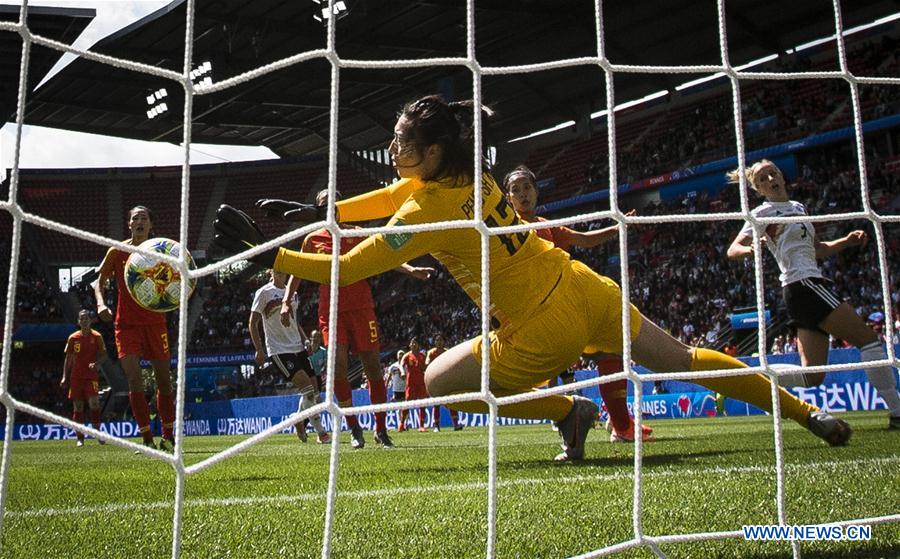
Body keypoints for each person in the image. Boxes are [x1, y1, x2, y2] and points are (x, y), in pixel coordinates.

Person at [214, 94, 851, 462]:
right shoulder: (470, 173)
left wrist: (269, 256)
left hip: (541, 328)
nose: (395, 151)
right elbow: (391, 194)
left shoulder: (427, 207)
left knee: (438, 384)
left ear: (431, 152)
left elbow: (351, 265)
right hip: (581, 286)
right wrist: (320, 215)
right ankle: (808, 416)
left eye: (403, 143)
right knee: (683, 359)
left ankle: (567, 408)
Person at [726, 159, 900, 429]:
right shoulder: (762, 213)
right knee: (868, 341)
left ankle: (743, 377)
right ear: (758, 189)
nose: (770, 179)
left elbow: (817, 249)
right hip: (804, 285)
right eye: (762, 178)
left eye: (772, 173)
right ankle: (898, 412)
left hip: (801, 291)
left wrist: (846, 242)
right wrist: (752, 249)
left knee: (812, 376)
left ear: (781, 176)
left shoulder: (798, 208)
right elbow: (732, 250)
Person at [504, 165, 649, 444]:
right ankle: (580, 417)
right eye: (515, 190)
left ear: (536, 192)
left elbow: (583, 240)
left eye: (527, 187)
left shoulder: (546, 226)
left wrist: (617, 227)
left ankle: (619, 422)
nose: (522, 194)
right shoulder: (506, 228)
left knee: (610, 351)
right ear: (508, 199)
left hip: (567, 306)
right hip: (535, 315)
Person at [279, 189, 433, 449]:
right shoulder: (312, 240)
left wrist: (410, 269)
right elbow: (297, 270)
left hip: (362, 308)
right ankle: (353, 427)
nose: (330, 207)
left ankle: (381, 429)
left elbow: (383, 255)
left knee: (372, 367)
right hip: (331, 311)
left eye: (334, 203)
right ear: (318, 210)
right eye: (324, 204)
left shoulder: (357, 232)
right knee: (337, 367)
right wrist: (286, 301)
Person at [95, 205, 176, 452]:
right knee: (134, 379)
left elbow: (179, 277)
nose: (139, 221)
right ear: (129, 224)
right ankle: (146, 437)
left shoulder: (162, 251)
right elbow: (99, 281)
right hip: (126, 325)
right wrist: (100, 304)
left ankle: (168, 435)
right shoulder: (117, 251)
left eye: (144, 218)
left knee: (164, 381)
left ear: (151, 225)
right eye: (135, 218)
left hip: (155, 323)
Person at [250, 269, 330, 444]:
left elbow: (295, 321)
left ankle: (299, 420)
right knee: (308, 390)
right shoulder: (263, 293)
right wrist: (259, 349)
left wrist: (305, 340)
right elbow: (253, 322)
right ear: (271, 271)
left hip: (298, 346)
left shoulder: (291, 292)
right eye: (276, 268)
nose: (280, 271)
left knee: (315, 393)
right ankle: (322, 432)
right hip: (279, 350)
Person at [61, 310, 107, 447]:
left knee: (94, 403)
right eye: (82, 319)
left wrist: (97, 364)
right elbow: (68, 358)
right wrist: (65, 376)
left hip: (91, 376)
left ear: (90, 320)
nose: (84, 321)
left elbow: (104, 355)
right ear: (78, 322)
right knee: (78, 406)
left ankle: (97, 433)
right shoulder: (73, 338)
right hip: (76, 377)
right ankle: (80, 438)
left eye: (86, 318)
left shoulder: (97, 336)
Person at [425, 334, 461, 431]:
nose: (439, 342)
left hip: (446, 380)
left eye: (441, 340)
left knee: (451, 401)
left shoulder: (447, 352)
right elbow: (427, 363)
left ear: (444, 342)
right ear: (434, 342)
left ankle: (456, 424)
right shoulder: (431, 353)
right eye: (437, 340)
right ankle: (436, 426)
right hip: (435, 380)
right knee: (436, 403)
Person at [400, 338, 428, 432]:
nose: (413, 344)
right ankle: (401, 424)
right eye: (412, 343)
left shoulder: (422, 356)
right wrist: (402, 372)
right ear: (410, 345)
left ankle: (422, 426)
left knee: (423, 403)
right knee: (407, 403)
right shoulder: (407, 355)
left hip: (421, 382)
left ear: (418, 345)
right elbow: (401, 365)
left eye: (415, 343)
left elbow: (425, 367)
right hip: (411, 383)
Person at [386, 349, 407, 430]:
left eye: (402, 354)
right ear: (397, 356)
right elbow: (389, 376)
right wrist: (386, 385)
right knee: (399, 407)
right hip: (397, 390)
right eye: (399, 354)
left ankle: (405, 424)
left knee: (406, 407)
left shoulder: (407, 365)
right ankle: (400, 424)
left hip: (405, 389)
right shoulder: (393, 366)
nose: (401, 355)